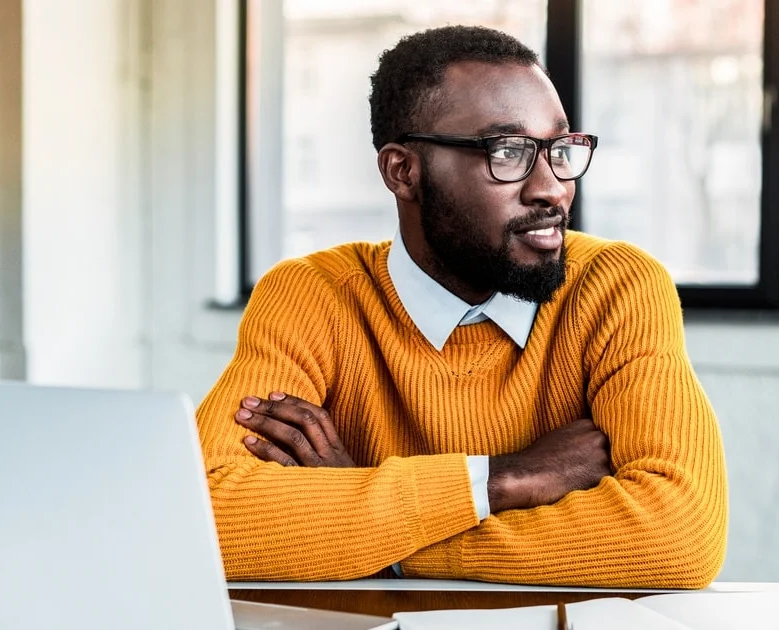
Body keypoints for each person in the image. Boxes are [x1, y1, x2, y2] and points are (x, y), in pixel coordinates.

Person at [196, 25, 727, 588]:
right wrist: (502, 480)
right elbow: (202, 512)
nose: (552, 189)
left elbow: (679, 534)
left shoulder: (616, 288)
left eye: (560, 149)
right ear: (404, 171)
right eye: (509, 151)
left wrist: (376, 539)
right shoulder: (313, 295)